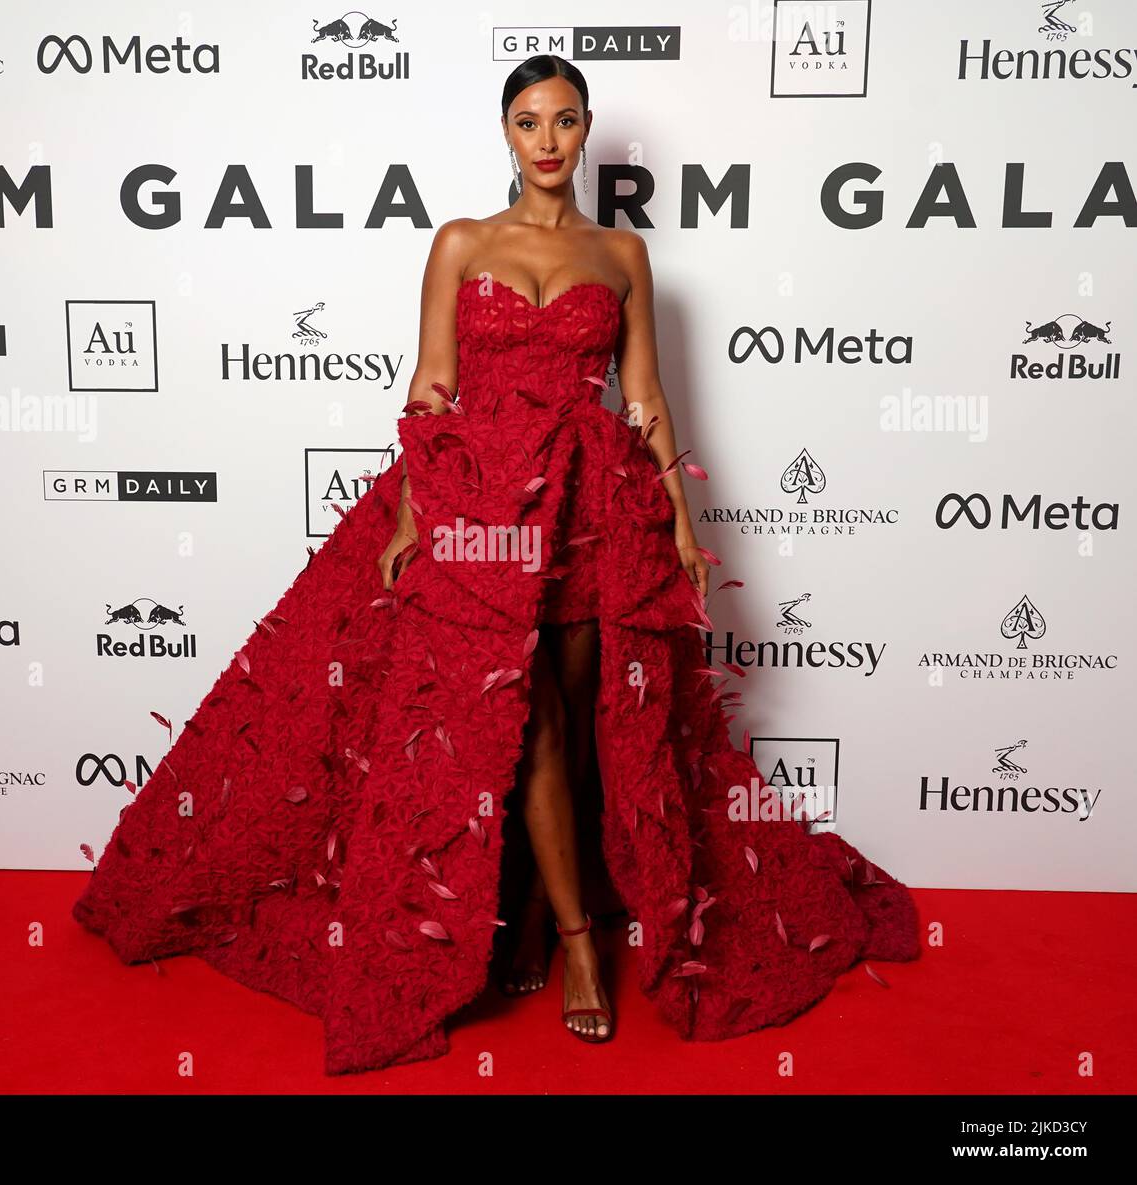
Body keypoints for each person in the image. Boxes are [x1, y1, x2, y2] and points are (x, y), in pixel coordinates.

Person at [72, 54, 920, 1076]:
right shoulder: (461, 242)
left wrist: (684, 526)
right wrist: (409, 517)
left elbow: (643, 396)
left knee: (570, 710)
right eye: (530, 122)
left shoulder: (622, 254)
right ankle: (575, 950)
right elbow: (431, 386)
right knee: (525, 725)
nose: (549, 140)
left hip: (590, 507)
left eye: (565, 120)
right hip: (480, 505)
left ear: (588, 128)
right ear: (506, 134)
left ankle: (523, 924)